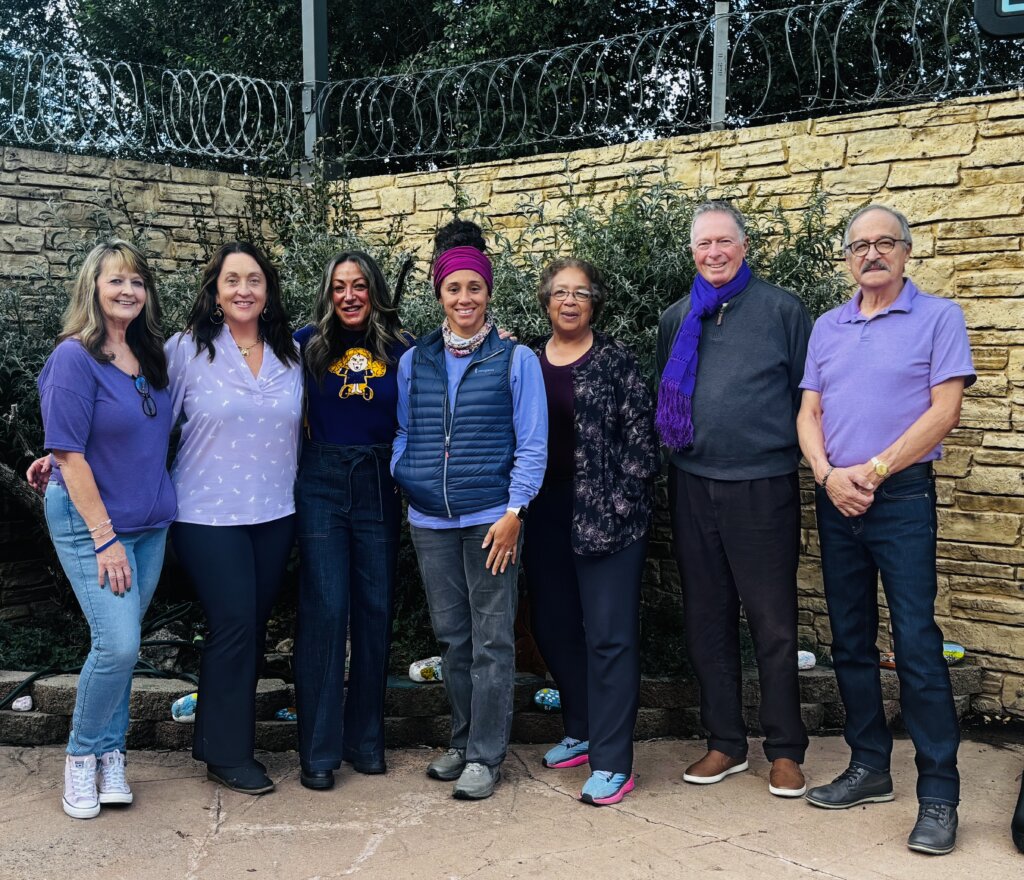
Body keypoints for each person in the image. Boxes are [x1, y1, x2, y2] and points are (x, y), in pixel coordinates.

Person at [797, 204, 974, 855]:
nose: (871, 254)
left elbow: (945, 409)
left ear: (905, 252)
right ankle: (870, 767)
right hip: (837, 496)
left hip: (897, 496)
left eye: (884, 243)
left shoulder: (938, 318)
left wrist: (872, 469)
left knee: (917, 641)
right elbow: (809, 411)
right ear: (847, 258)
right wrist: (826, 474)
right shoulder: (827, 327)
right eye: (859, 246)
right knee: (849, 639)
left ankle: (939, 794)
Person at [656, 200, 811, 798]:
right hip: (692, 484)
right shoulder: (677, 318)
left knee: (773, 623)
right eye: (703, 245)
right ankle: (725, 741)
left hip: (762, 485)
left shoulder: (782, 310)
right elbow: (665, 395)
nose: (714, 253)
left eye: (725, 242)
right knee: (706, 619)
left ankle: (785, 749)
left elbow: (811, 399)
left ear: (744, 247)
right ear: (692, 252)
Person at [391, 219, 547, 801]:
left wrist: (514, 512)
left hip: (491, 521)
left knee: (492, 640)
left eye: (474, 289)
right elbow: (404, 431)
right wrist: (405, 476)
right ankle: (461, 741)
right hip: (430, 521)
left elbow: (532, 444)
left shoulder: (515, 360)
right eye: (454, 289)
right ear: (440, 294)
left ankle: (486, 754)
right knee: (453, 637)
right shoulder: (416, 362)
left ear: (488, 294)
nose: (464, 299)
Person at [36, 240, 176, 819]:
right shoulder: (74, 357)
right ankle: (80, 759)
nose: (127, 291)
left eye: (137, 283)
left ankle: (111, 755)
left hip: (150, 522)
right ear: (93, 288)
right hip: (94, 524)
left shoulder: (153, 355)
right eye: (115, 281)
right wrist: (104, 537)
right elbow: (68, 453)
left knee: (126, 647)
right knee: (116, 643)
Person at [166, 241, 303, 795]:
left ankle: (218, 742)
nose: (243, 289)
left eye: (254, 280)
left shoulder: (291, 353)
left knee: (249, 629)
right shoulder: (186, 351)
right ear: (216, 292)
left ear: (267, 292)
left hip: (275, 514)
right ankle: (228, 754)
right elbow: (146, 420)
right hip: (205, 515)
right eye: (232, 281)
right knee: (235, 625)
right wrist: (62, 457)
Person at [524, 258, 658, 806]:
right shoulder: (526, 361)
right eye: (560, 292)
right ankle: (579, 728)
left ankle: (613, 761)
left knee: (609, 637)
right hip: (544, 515)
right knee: (552, 626)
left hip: (608, 520)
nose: (570, 301)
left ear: (594, 301)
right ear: (546, 302)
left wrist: (620, 506)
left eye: (580, 292)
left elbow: (643, 448)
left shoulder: (618, 363)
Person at [292, 251, 412, 791]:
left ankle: (365, 740)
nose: (349, 295)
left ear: (374, 290)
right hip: (320, 478)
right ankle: (317, 751)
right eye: (339, 286)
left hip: (378, 481)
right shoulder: (303, 344)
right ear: (327, 292)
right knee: (325, 608)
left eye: (359, 285)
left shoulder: (403, 348)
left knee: (374, 608)